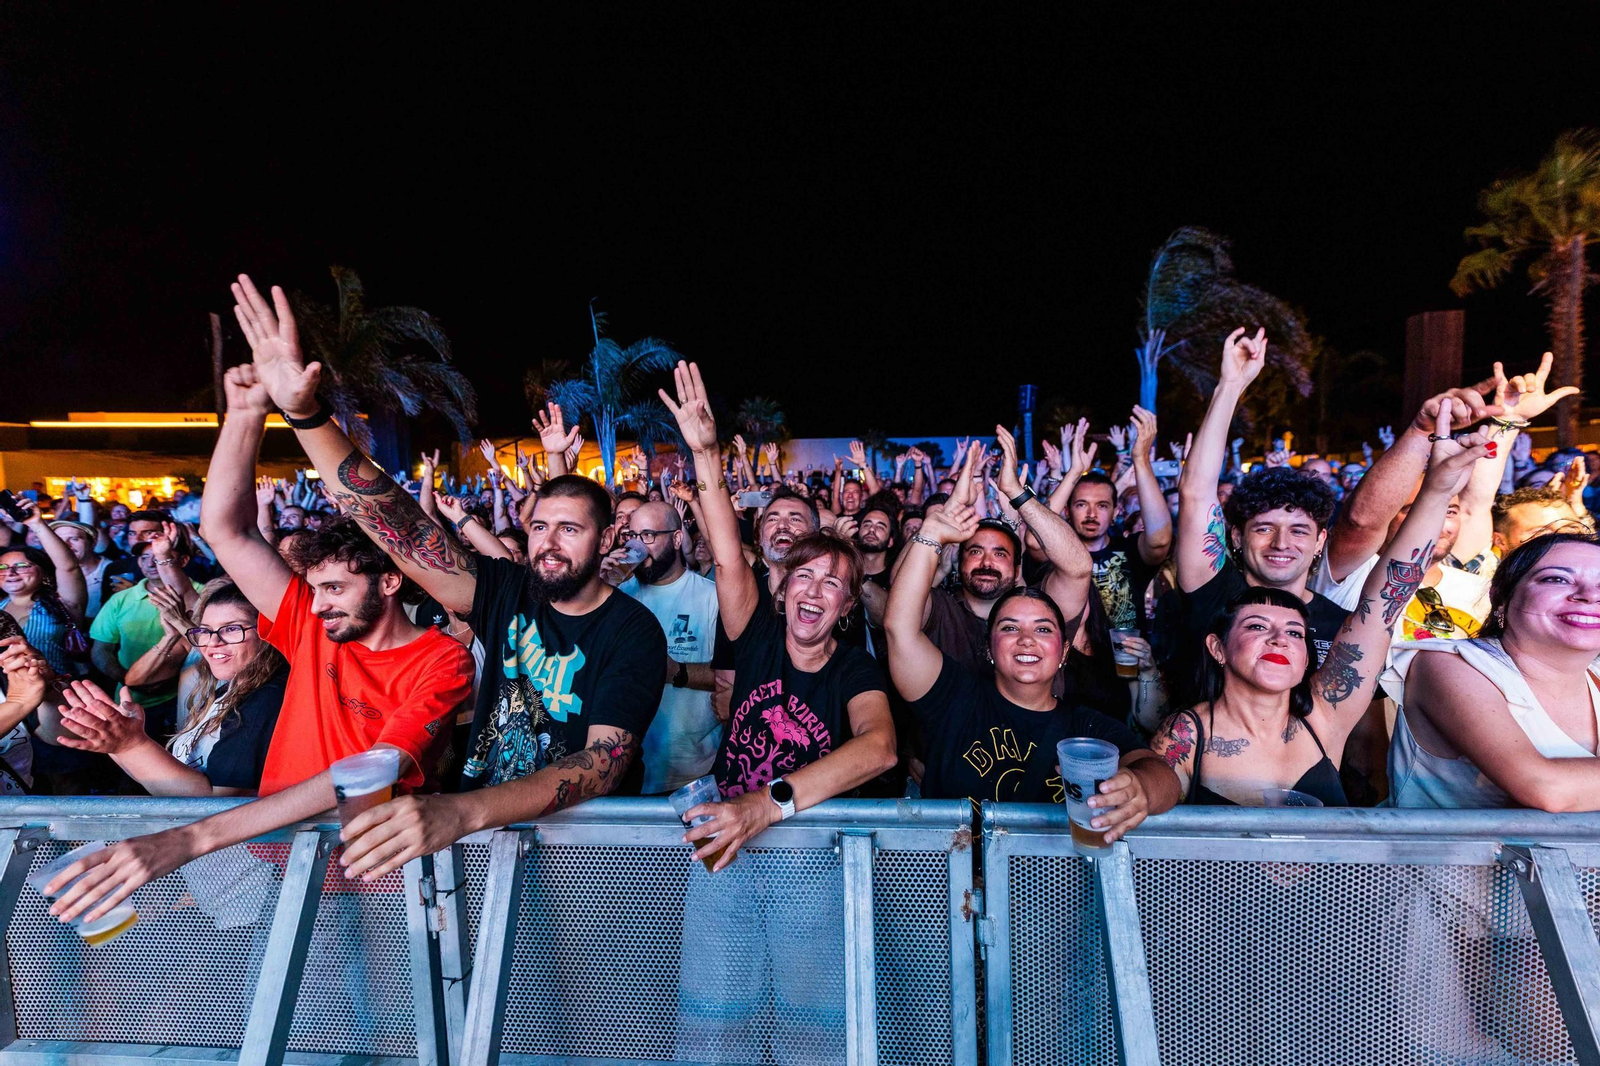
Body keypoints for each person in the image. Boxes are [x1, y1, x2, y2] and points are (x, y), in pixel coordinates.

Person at [215, 275, 665, 884]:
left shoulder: (632, 629)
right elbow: (398, 527)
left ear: (609, 540)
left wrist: (465, 810)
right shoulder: (509, 591)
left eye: (571, 530)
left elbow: (604, 762)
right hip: (479, 845)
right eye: (540, 527)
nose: (548, 544)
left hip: (579, 854)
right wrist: (304, 414)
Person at [42, 331, 475, 925]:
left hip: (377, 882)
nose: (317, 605)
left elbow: (369, 769)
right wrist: (245, 414)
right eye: (314, 588)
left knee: (390, 1019)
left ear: (390, 583)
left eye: (335, 589)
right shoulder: (313, 625)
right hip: (285, 864)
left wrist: (189, 840)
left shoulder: (440, 659)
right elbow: (226, 531)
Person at [663, 360, 896, 1066]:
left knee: (808, 1031)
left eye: (834, 582)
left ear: (847, 607)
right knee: (714, 1025)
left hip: (811, 870)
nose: (816, 588)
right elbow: (728, 553)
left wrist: (768, 806)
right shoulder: (758, 634)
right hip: (726, 859)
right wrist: (706, 455)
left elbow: (879, 746)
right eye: (804, 575)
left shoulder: (853, 668)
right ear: (785, 587)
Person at [1149, 402, 1491, 806]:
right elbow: (1150, 783)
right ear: (1217, 646)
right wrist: (1137, 789)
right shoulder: (1186, 733)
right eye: (1256, 626)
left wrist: (1437, 489)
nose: (1280, 639)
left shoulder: (1325, 717)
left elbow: (1385, 599)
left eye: (1295, 631)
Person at [886, 494, 1180, 826]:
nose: (1027, 639)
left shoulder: (1082, 725)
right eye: (1010, 627)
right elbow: (899, 628)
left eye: (1042, 629)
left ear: (1064, 651)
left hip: (1045, 878)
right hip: (957, 876)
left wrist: (1140, 787)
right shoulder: (953, 697)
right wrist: (930, 537)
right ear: (989, 648)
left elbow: (1160, 773)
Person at [1164, 328, 1364, 704]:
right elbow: (1195, 492)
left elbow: (1361, 735)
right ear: (1236, 537)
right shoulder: (1216, 593)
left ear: (1320, 541)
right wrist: (1230, 385)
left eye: (1299, 530)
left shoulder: (1340, 625)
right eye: (1265, 528)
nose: (1281, 543)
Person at [1383, 532, 1600, 809]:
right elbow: (1545, 788)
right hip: (1447, 852)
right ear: (1501, 598)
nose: (1590, 595)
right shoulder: (1446, 663)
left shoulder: (1596, 678)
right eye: (1557, 579)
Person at [53, 581, 289, 795]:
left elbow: (219, 805)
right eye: (205, 630)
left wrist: (132, 745)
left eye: (231, 629)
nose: (213, 642)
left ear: (268, 631)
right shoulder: (228, 691)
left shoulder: (265, 699)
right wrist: (116, 741)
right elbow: (172, 787)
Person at [613, 501, 722, 794]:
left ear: (676, 539)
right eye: (631, 536)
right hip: (620, 767)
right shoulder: (616, 598)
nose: (637, 545)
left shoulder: (711, 596)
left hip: (689, 770)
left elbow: (731, 676)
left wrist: (674, 671)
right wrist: (597, 586)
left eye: (647, 535)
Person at [1049, 407, 1172, 633]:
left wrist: (1140, 459)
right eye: (1081, 504)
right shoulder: (1056, 554)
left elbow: (1160, 541)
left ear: (1116, 513)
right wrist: (1074, 473)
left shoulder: (1129, 551)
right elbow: (1036, 540)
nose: (1091, 514)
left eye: (1102, 506)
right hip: (1072, 665)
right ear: (1067, 511)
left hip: (1125, 663)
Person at [88, 525, 205, 739]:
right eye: (144, 557)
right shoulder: (121, 599)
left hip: (187, 697)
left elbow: (203, 641)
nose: (151, 563)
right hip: (131, 700)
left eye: (160, 556)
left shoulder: (202, 594)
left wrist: (166, 680)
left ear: (182, 561)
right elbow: (101, 651)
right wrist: (129, 679)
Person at [1, 497, 87, 678]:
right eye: (2, 567)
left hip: (59, 695)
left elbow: (69, 567)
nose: (11, 572)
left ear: (44, 573)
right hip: (10, 700)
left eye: (22, 566)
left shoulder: (62, 604)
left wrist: (37, 523)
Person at [50, 519, 112, 620]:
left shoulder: (113, 570)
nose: (66, 545)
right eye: (59, 540)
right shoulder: (46, 572)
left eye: (74, 539)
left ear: (92, 543)